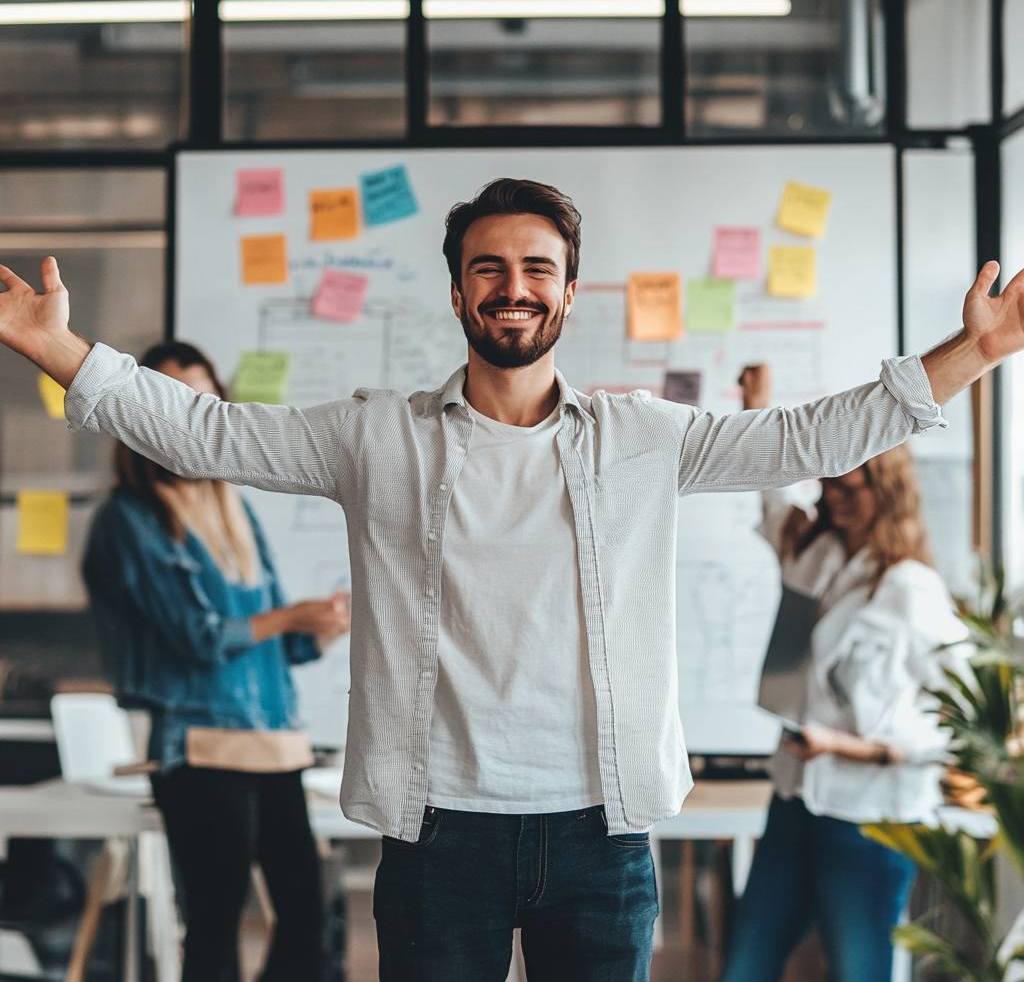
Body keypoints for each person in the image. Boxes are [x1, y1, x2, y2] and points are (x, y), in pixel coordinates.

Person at [1, 177, 1020, 981]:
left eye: (537, 267)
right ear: (456, 292)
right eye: (487, 268)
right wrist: (62, 352)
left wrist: (970, 352)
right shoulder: (372, 436)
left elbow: (811, 432)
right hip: (439, 835)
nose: (513, 286)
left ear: (570, 291)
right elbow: (205, 428)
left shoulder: (643, 438)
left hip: (600, 835)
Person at [80, 340, 350, 982]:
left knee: (307, 918)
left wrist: (324, 628)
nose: (188, 413)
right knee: (215, 924)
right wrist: (290, 615)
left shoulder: (236, 507)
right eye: (171, 397)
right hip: (199, 750)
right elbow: (198, 638)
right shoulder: (129, 519)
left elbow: (281, 645)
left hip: (273, 742)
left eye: (201, 397)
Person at [719, 364, 967, 982]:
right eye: (831, 488)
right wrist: (758, 406)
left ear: (888, 492)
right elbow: (776, 499)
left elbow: (960, 721)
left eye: (852, 491)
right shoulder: (817, 555)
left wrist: (856, 748)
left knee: (861, 972)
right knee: (744, 967)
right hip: (795, 798)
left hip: (870, 818)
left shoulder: (911, 589)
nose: (836, 500)